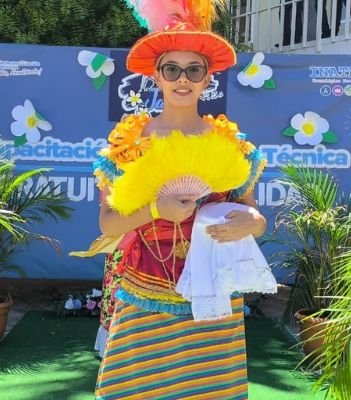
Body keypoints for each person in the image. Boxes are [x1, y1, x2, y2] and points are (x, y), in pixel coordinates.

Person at [87, 2, 268, 398]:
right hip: (145, 285)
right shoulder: (130, 143)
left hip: (213, 287)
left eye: (193, 70)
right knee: (139, 388)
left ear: (208, 79)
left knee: (208, 388)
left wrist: (253, 223)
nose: (182, 80)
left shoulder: (231, 145)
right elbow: (107, 223)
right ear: (157, 76)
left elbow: (254, 211)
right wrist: (156, 210)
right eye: (172, 69)